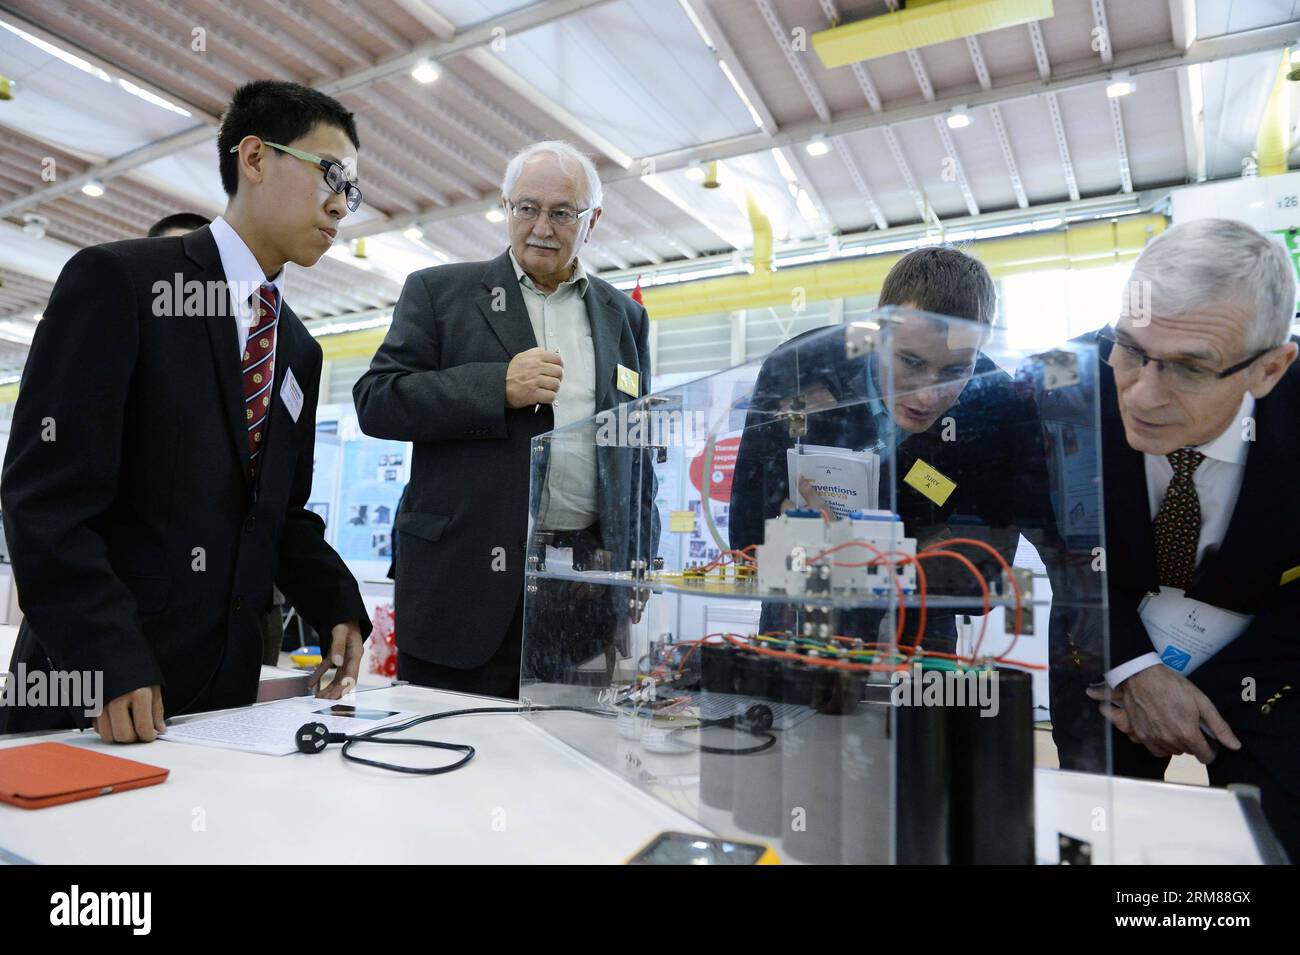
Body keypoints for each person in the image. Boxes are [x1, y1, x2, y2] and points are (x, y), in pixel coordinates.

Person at [0, 80, 370, 742]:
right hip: (90, 697)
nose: (342, 205)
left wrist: (338, 603)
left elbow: (278, 513)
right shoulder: (122, 284)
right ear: (254, 159)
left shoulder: (300, 351)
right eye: (330, 176)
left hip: (221, 702)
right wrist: (104, 658)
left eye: (354, 191)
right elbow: (46, 498)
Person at [354, 141, 656, 698]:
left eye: (563, 213)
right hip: (461, 586)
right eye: (526, 208)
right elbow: (377, 400)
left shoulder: (626, 317)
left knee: (565, 769)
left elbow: (635, 450)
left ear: (593, 220)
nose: (542, 226)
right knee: (446, 764)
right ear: (506, 207)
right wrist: (496, 387)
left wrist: (637, 557)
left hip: (581, 593)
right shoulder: (439, 292)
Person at [1052, 218, 1300, 858]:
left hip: (1267, 664)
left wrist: (1195, 699)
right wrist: (1137, 671)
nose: (1143, 394)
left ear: (1270, 368)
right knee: (1092, 834)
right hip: (1102, 653)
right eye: (1131, 349)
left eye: (1190, 367)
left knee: (1274, 835)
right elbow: (1063, 545)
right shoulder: (1065, 387)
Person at [729, 246, 1054, 651]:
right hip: (804, 621)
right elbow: (746, 536)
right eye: (911, 362)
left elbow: (984, 574)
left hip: (922, 638)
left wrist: (858, 555)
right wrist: (789, 529)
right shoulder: (799, 365)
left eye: (956, 371)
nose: (928, 396)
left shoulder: (997, 401)